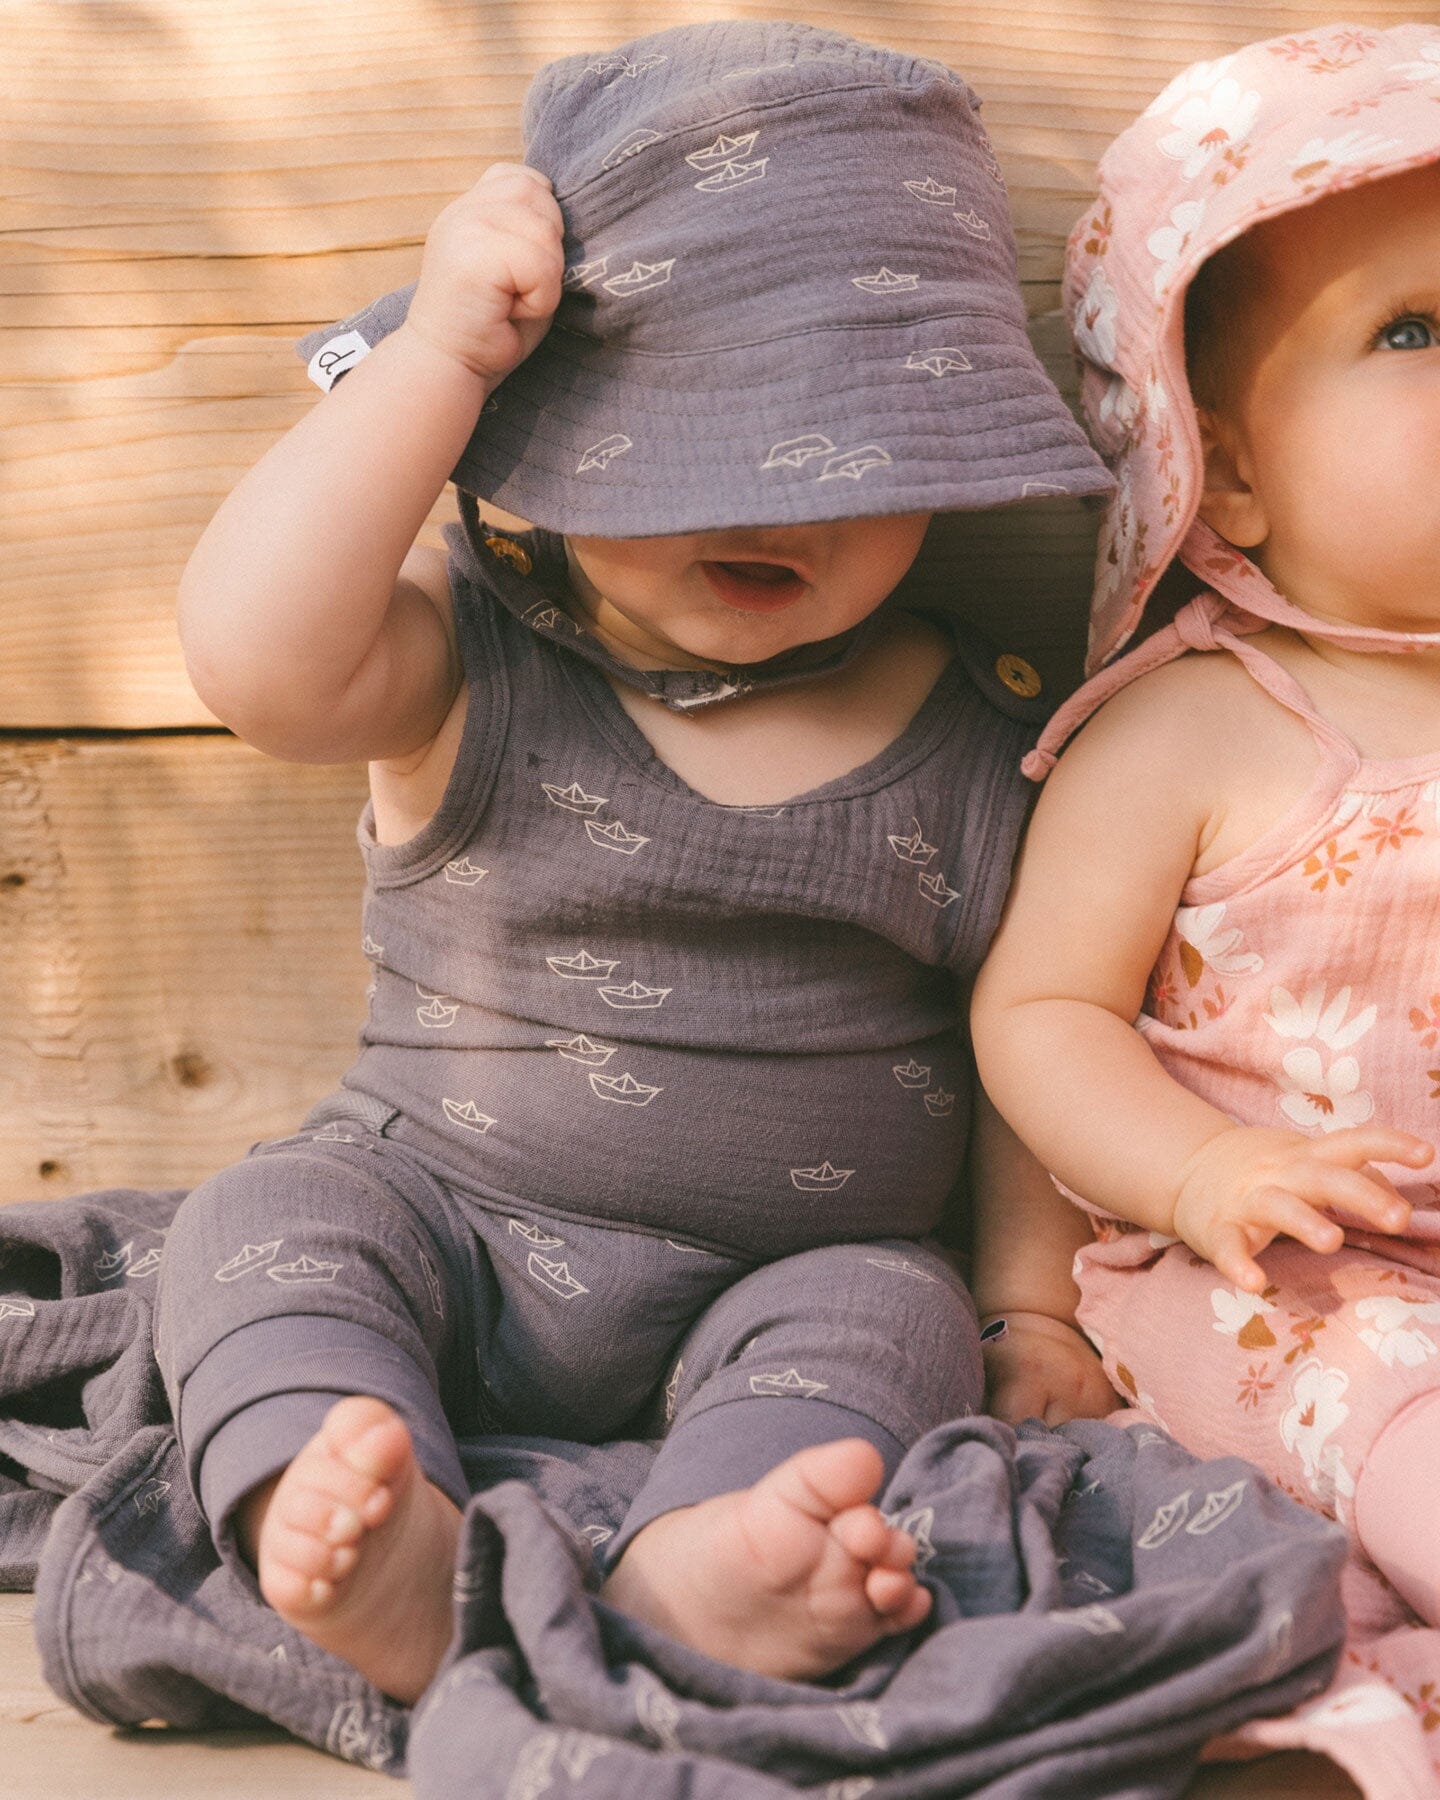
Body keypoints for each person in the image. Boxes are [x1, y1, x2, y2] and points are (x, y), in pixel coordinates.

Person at [160, 19, 1113, 1704]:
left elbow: (1024, 1039)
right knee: (265, 1217)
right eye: (704, 439)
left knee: (898, 1317)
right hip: (444, 1221)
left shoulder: (984, 739)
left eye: (857, 450)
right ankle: (350, 1506)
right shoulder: (471, 661)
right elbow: (253, 662)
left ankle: (708, 1562)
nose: (784, 500)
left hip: (779, 1283)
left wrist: (1029, 1308)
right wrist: (437, 360)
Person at [971, 23, 1440, 1628]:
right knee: (1390, 1401)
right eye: (1414, 327)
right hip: (1296, 1277)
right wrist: (1203, 1171)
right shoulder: (1196, 728)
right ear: (1222, 470)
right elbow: (1043, 1014)